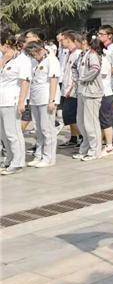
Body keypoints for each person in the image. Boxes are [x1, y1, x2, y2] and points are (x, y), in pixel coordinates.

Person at [0, 29, 31, 175]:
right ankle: (9, 158)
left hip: (12, 99)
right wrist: (4, 60)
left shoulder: (23, 60)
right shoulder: (4, 58)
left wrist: (21, 101)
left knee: (13, 132)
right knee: (3, 133)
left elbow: (25, 82)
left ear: (7, 44)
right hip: (2, 100)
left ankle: (18, 162)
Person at [25, 41, 60, 167]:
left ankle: (48, 157)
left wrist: (52, 100)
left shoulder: (51, 60)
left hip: (46, 98)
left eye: (34, 54)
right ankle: (39, 155)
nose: (34, 57)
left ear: (40, 50)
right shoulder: (35, 62)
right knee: (38, 129)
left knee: (47, 129)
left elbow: (54, 80)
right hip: (35, 98)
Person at [74, 37, 104, 161]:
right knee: (81, 122)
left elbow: (95, 69)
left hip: (92, 92)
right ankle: (85, 147)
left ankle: (95, 150)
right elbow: (73, 67)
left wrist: (83, 78)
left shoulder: (92, 54)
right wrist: (77, 79)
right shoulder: (81, 55)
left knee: (91, 122)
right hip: (82, 92)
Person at [58, 30, 83, 148]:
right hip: (66, 88)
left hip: (73, 91)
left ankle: (82, 137)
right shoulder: (68, 53)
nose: (61, 42)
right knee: (68, 116)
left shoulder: (78, 53)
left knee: (70, 115)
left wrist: (71, 89)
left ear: (69, 39)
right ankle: (74, 138)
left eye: (63, 39)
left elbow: (77, 74)